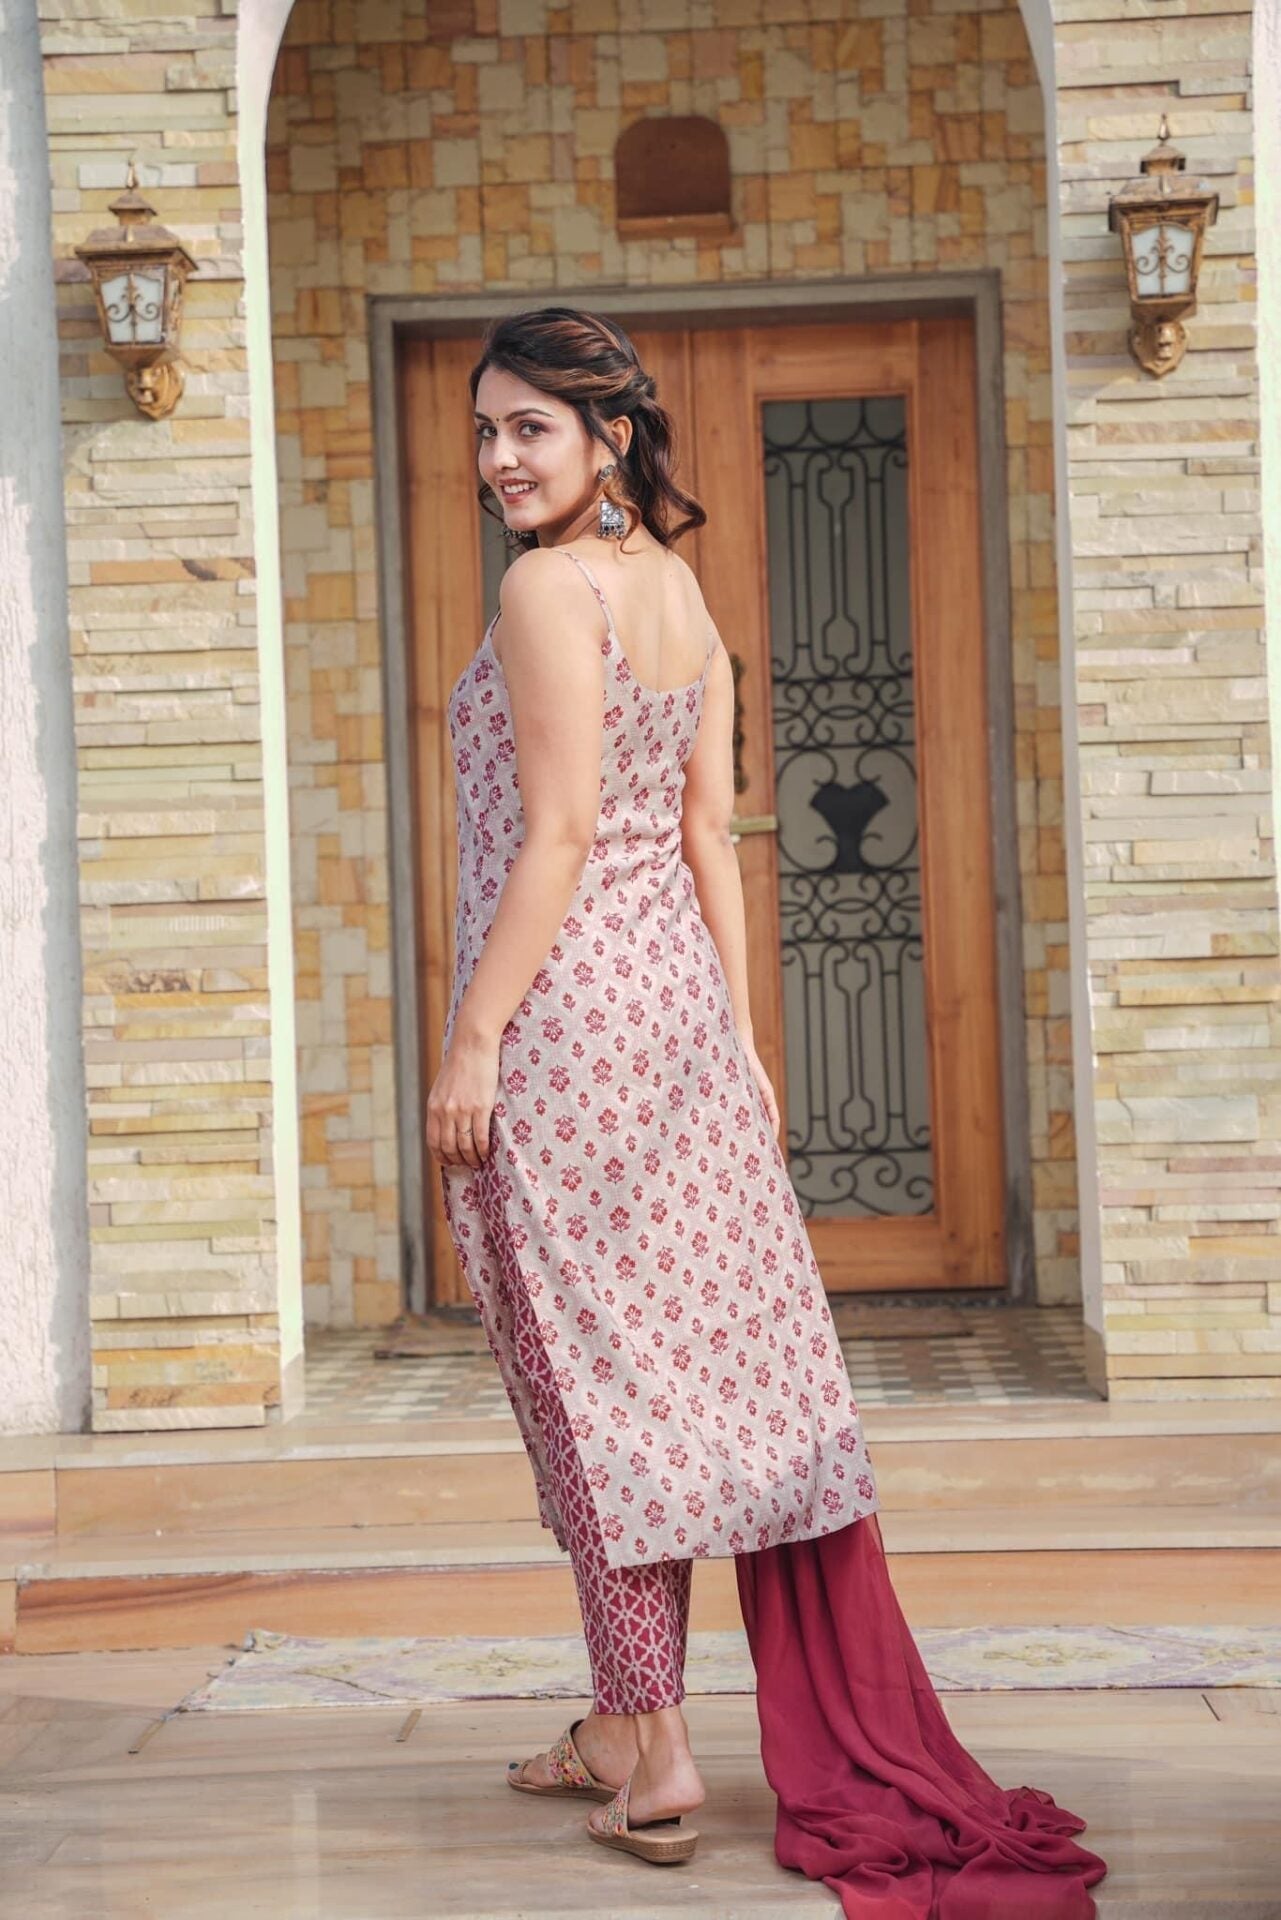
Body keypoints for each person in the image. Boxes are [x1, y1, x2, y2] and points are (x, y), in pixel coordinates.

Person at [429, 304, 1108, 1916]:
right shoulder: (678, 594)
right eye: (484, 431)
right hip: (675, 1023)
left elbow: (560, 835)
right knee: (651, 1385)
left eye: (530, 426)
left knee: (586, 1388)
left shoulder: (546, 589)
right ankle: (618, 1725)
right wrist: (741, 1042)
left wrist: (474, 1037)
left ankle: (657, 1753)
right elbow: (709, 837)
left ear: (608, 436)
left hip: (568, 1025)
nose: (499, 458)